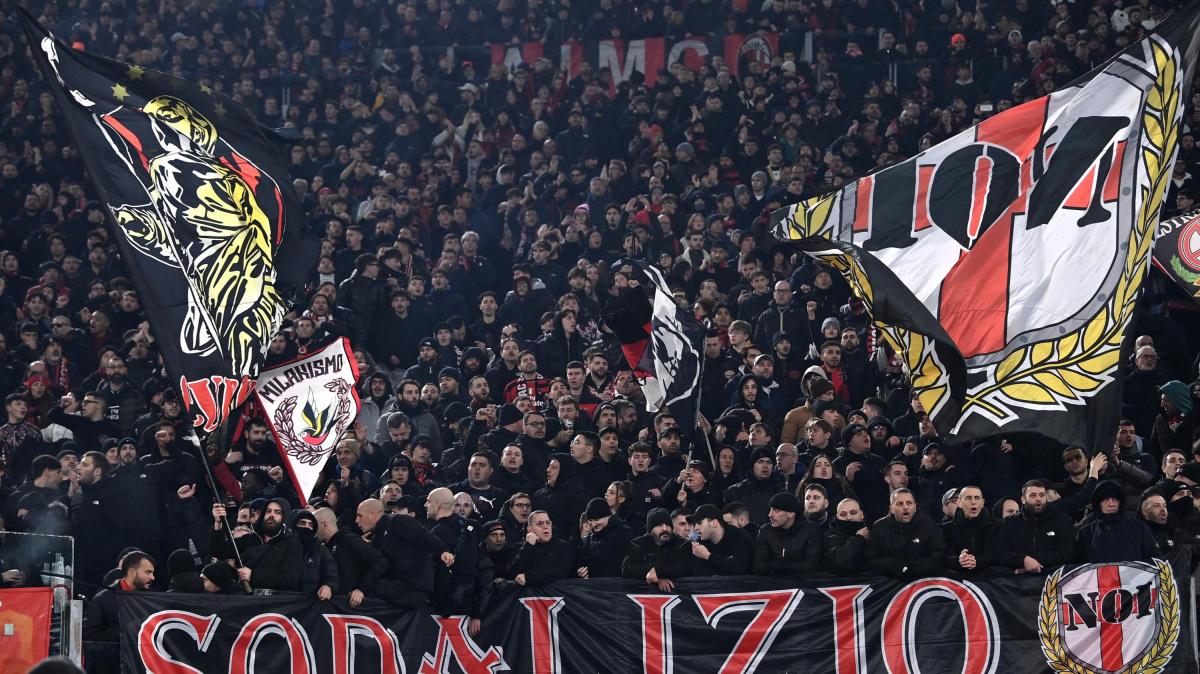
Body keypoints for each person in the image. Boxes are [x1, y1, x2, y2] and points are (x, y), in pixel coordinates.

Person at [359, 497, 451, 608]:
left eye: (359, 516)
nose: (356, 520)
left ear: (372, 515)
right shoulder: (376, 538)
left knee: (366, 589)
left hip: (414, 588)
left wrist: (442, 551)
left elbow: (424, 537)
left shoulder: (397, 521)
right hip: (397, 585)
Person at [991, 480, 1076, 575]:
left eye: (1042, 495)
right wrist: (1023, 560)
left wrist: (1031, 562)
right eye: (1033, 495)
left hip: (1054, 577)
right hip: (1017, 578)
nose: (1038, 498)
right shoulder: (1008, 523)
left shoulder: (1063, 521)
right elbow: (1001, 552)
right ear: (1023, 499)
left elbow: (1066, 553)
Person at [314, 506, 386, 608]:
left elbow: (380, 561)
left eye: (314, 525)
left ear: (325, 524)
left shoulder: (349, 540)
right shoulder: (325, 547)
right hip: (338, 606)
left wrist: (361, 589)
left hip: (357, 607)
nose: (312, 530)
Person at [867, 488, 945, 579]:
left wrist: (911, 568)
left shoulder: (929, 525)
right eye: (900, 504)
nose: (905, 507)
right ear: (891, 509)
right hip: (888, 580)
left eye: (909, 503)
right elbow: (871, 559)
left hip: (921, 579)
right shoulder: (879, 527)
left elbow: (938, 556)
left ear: (915, 507)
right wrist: (896, 566)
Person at [1075, 480, 1159, 563]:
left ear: (1120, 502)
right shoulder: (1085, 533)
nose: (1111, 504)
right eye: (1106, 499)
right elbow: (1077, 567)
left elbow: (1156, 562)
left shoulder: (1140, 528)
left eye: (1115, 499)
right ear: (1098, 503)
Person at [84, 550, 155, 642]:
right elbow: (90, 637)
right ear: (132, 573)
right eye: (148, 572)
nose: (153, 577)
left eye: (152, 573)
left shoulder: (153, 599)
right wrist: (124, 630)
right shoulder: (102, 599)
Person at [622, 507, 692, 591]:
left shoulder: (681, 544)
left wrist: (657, 571)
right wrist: (655, 576)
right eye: (659, 525)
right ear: (650, 530)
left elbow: (685, 568)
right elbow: (627, 569)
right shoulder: (638, 544)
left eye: (668, 525)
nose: (665, 529)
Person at [752, 493, 823, 575]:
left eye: (776, 510)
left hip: (803, 580)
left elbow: (812, 564)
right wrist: (775, 566)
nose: (770, 514)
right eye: (771, 509)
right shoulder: (765, 530)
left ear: (791, 513)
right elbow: (758, 565)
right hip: (773, 580)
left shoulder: (811, 529)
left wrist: (783, 566)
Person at [512, 509, 574, 587]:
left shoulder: (563, 546)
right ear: (530, 529)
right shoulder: (519, 547)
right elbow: (514, 573)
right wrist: (528, 546)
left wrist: (528, 577)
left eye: (548, 523)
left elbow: (561, 571)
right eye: (540, 524)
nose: (545, 526)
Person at [688, 503, 754, 575]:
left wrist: (707, 556)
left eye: (699, 522)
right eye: (695, 524)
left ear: (714, 523)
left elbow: (740, 567)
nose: (695, 528)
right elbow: (700, 573)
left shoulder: (740, 537)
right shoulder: (699, 543)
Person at [941, 485, 993, 575]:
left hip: (989, 579)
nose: (973, 502)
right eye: (968, 498)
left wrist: (978, 561)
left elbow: (999, 554)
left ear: (982, 502)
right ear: (960, 503)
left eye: (977, 498)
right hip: (958, 579)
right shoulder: (946, 529)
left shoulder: (996, 526)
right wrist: (958, 560)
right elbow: (941, 557)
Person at [576, 497, 633, 578]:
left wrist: (592, 572)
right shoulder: (589, 539)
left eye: (596, 519)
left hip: (615, 583)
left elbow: (619, 567)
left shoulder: (623, 533)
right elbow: (583, 564)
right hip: (593, 583)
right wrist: (582, 572)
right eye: (590, 520)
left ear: (608, 516)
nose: (593, 524)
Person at [823, 498, 870, 574]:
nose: (849, 517)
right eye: (843, 514)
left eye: (853, 513)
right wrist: (859, 538)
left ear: (861, 514)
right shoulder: (830, 535)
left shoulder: (872, 531)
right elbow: (840, 563)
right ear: (837, 517)